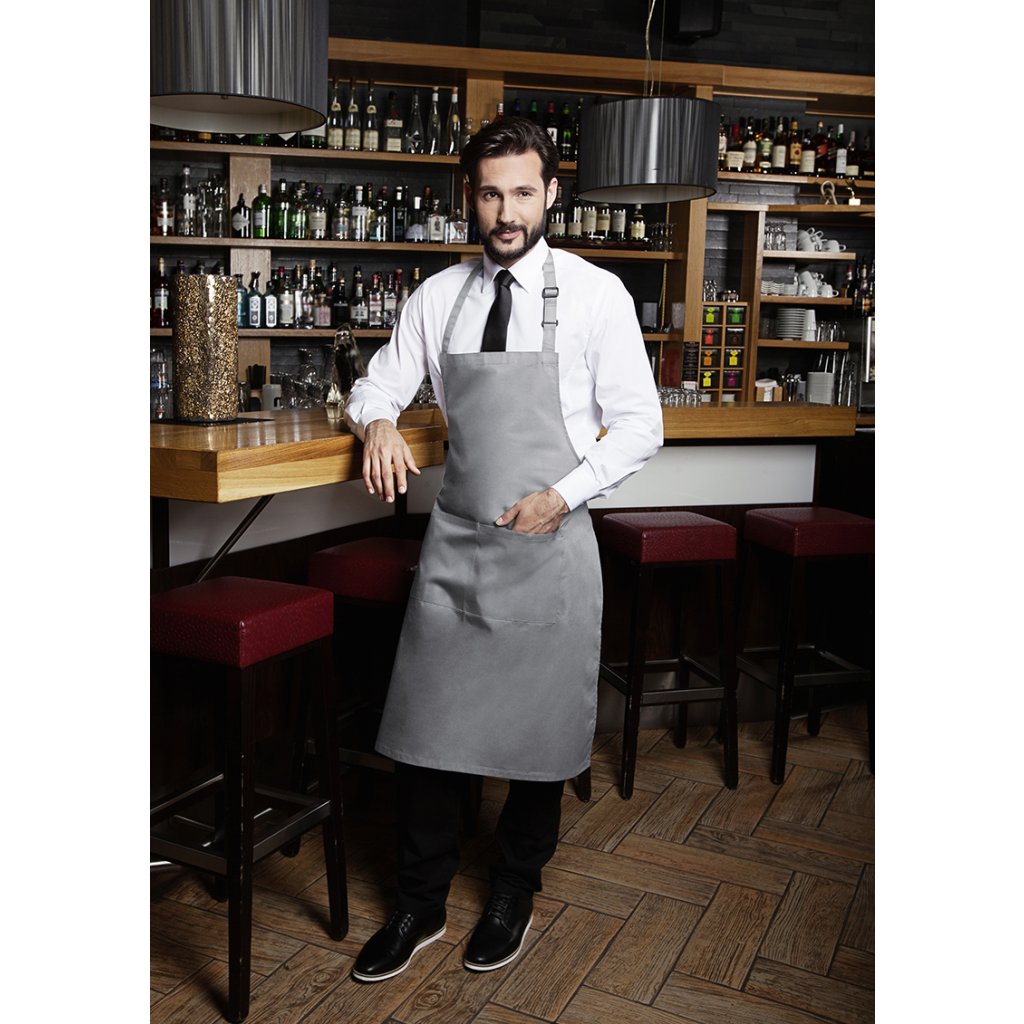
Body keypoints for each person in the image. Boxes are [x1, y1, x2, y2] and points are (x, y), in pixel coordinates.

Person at [343, 117, 663, 982]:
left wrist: (563, 494)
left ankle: (514, 890)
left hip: (550, 545)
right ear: (469, 198)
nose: (507, 212)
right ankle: (419, 903)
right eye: (491, 194)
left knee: (537, 736)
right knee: (423, 730)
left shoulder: (597, 295)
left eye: (524, 192)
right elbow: (376, 383)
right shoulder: (438, 296)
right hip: (457, 545)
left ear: (551, 193)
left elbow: (641, 425)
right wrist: (378, 421)